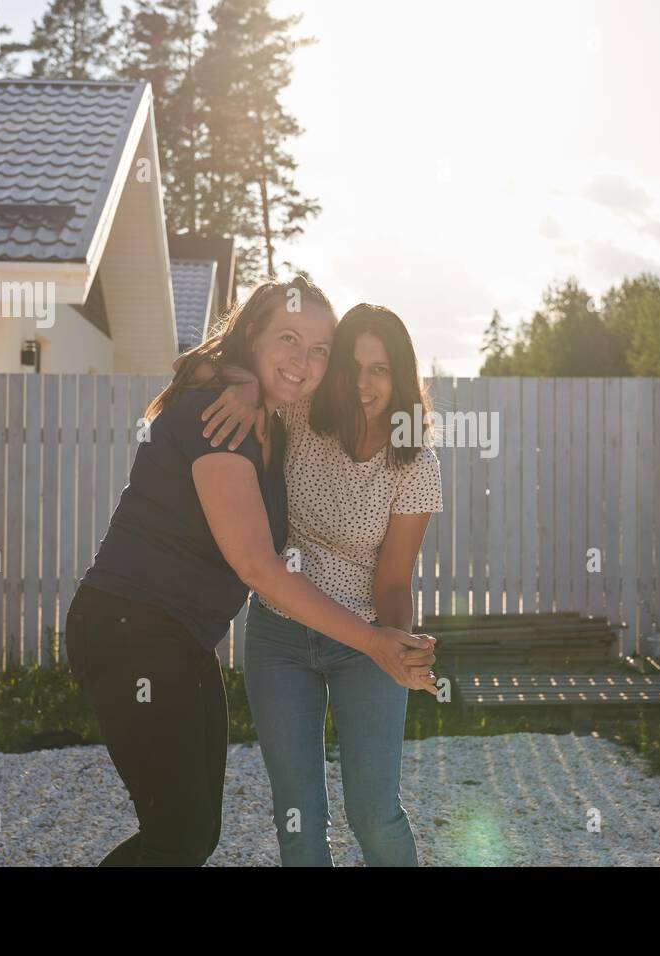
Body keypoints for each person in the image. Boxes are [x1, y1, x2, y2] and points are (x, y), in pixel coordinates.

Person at [65, 279, 437, 866]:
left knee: (204, 831)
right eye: (292, 340)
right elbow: (258, 565)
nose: (309, 362)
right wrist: (233, 379)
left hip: (205, 640)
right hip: (171, 631)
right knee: (220, 827)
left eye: (320, 350)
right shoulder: (257, 419)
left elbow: (393, 579)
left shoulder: (329, 433)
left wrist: (394, 649)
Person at [190, 303, 443, 866]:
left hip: (366, 642)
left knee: (374, 815)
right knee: (299, 820)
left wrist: (398, 646)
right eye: (352, 364)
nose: (362, 382)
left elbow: (394, 579)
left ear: (401, 376)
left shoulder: (416, 463)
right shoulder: (300, 416)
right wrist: (246, 388)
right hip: (279, 638)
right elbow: (204, 366)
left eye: (379, 368)